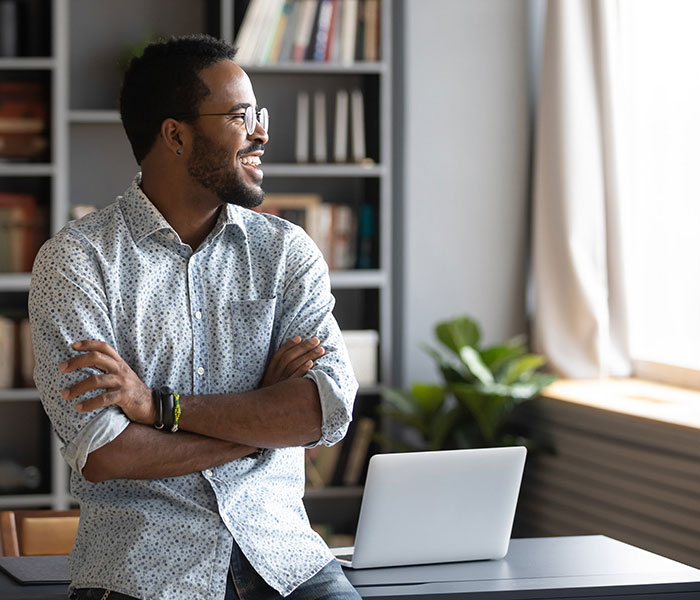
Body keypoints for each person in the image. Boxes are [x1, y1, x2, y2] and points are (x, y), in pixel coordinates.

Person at [28, 34, 360, 600]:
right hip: (141, 574)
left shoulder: (286, 251)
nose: (261, 131)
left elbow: (324, 412)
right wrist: (263, 425)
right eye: (239, 115)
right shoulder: (76, 262)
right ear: (175, 134)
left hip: (287, 562)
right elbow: (109, 453)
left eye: (259, 114)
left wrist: (160, 408)